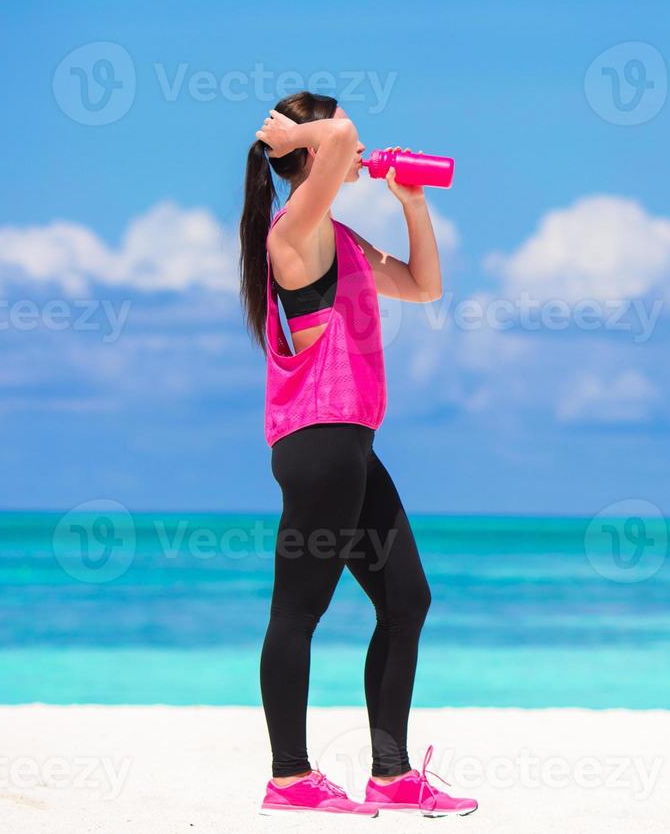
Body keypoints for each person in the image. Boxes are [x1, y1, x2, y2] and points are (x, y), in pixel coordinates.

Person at [240, 91, 475, 818]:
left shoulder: (336, 238)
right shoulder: (294, 233)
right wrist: (308, 131)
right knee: (298, 611)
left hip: (351, 447)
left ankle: (393, 773)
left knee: (407, 600)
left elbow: (422, 284)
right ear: (310, 155)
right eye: (341, 142)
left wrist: (410, 201)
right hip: (319, 445)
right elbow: (340, 136)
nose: (359, 148)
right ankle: (289, 778)